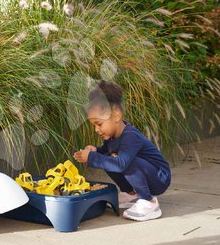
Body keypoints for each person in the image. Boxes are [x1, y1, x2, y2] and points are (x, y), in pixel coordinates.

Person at [73, 80, 171, 221]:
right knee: (109, 157)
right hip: (143, 171)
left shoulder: (131, 136)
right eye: (94, 125)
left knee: (121, 161)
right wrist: (95, 151)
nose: (96, 129)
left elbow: (121, 164)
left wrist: (92, 158)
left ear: (116, 116)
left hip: (159, 177)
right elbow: (106, 155)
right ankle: (131, 194)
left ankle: (149, 202)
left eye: (99, 124)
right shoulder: (111, 137)